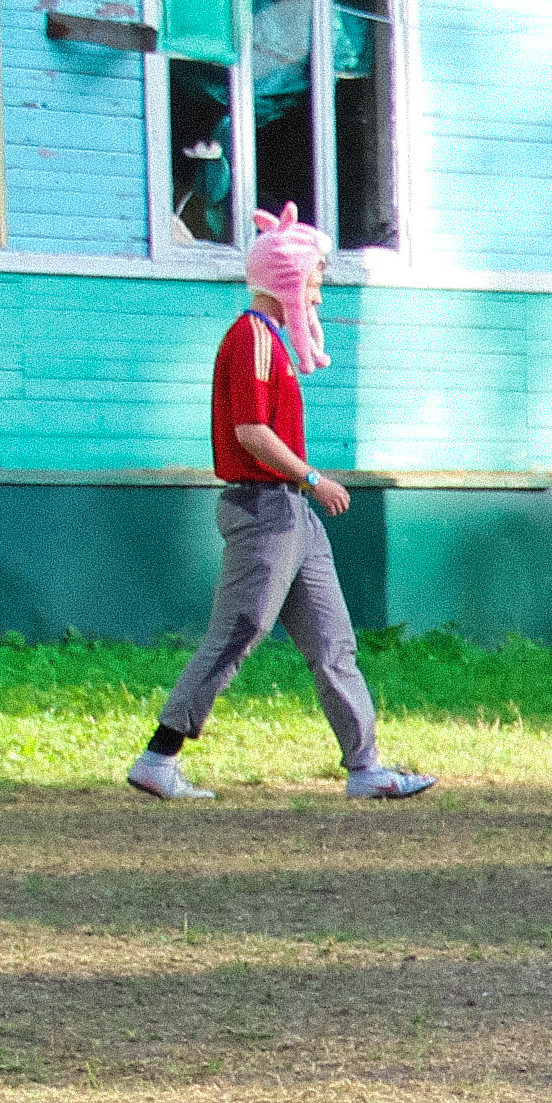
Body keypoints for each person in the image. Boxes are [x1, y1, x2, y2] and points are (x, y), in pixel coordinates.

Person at [126, 206, 435, 807]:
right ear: (289, 279)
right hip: (265, 509)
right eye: (315, 276)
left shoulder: (268, 341)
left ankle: (365, 766)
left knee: (332, 640)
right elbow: (252, 432)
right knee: (240, 629)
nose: (320, 289)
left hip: (291, 513)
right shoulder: (252, 339)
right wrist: (314, 477)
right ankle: (159, 756)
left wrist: (305, 490)